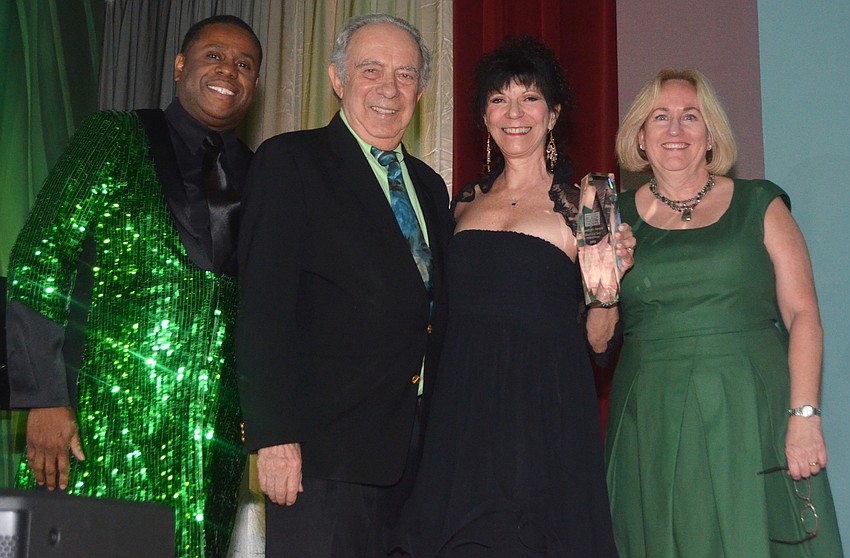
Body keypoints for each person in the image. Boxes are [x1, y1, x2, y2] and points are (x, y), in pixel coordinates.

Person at [5, 15, 262, 557]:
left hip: (212, 443)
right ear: (179, 65)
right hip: (102, 425)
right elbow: (39, 260)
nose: (229, 72)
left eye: (245, 65)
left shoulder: (262, 175)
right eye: (215, 56)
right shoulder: (115, 135)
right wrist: (45, 398)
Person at [388, 35, 630, 557]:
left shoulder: (588, 200)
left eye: (530, 97)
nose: (514, 113)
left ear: (554, 113)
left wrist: (606, 289)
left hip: (543, 412)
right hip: (460, 412)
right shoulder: (462, 202)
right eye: (499, 99)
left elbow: (600, 343)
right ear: (483, 116)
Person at [235, 13, 453, 558]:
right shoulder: (291, 162)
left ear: (421, 89)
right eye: (370, 69)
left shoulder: (429, 186)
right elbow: (263, 311)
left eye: (406, 74)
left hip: (414, 458)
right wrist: (273, 437)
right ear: (337, 79)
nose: (389, 87)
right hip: (320, 459)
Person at [605, 68, 844, 556]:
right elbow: (595, 339)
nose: (675, 131)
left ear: (711, 135)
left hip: (753, 409)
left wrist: (805, 416)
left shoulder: (761, 202)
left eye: (690, 117)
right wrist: (604, 282)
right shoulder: (613, 217)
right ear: (640, 138)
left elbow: (803, 316)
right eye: (661, 118)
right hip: (652, 415)